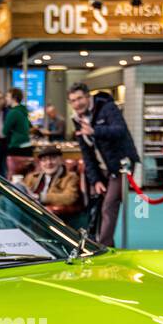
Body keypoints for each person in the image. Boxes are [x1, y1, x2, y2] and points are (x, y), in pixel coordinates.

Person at [68, 81, 139, 248]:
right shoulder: (77, 119)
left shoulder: (107, 108)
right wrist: (96, 180)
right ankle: (106, 243)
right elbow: (87, 154)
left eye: (79, 98)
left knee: (109, 205)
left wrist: (95, 131)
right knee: (97, 204)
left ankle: (102, 246)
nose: (77, 103)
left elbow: (120, 130)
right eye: (73, 100)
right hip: (102, 169)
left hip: (122, 166)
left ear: (88, 96)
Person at [24, 145, 82, 210]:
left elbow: (70, 197)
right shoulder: (32, 177)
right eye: (44, 160)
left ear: (61, 160)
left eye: (53, 158)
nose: (49, 163)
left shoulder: (70, 177)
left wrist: (41, 197)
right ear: (40, 163)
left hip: (51, 215)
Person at [3, 88, 32, 159]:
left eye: (7, 96)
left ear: (14, 98)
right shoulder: (23, 110)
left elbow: (4, 131)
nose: (6, 99)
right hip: (27, 145)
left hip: (17, 147)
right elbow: (29, 126)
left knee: (14, 170)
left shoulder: (13, 112)